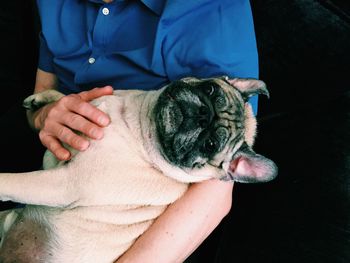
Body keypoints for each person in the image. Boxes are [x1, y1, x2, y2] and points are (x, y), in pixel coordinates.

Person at [27, 0, 259, 261]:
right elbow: (39, 97)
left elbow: (216, 188)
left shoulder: (212, 14)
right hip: (56, 169)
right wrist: (42, 115)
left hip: (128, 214)